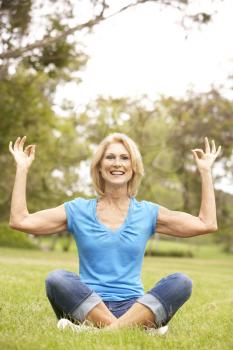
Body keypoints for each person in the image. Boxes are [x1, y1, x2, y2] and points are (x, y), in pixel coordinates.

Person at [9, 133, 221, 334]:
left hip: (135, 308)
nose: (117, 163)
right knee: (57, 279)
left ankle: (99, 332)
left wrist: (205, 171)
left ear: (133, 167)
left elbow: (206, 223)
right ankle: (139, 330)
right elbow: (20, 220)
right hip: (88, 306)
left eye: (124, 158)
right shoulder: (78, 210)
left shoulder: (147, 212)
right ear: (99, 167)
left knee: (181, 282)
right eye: (110, 157)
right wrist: (22, 169)